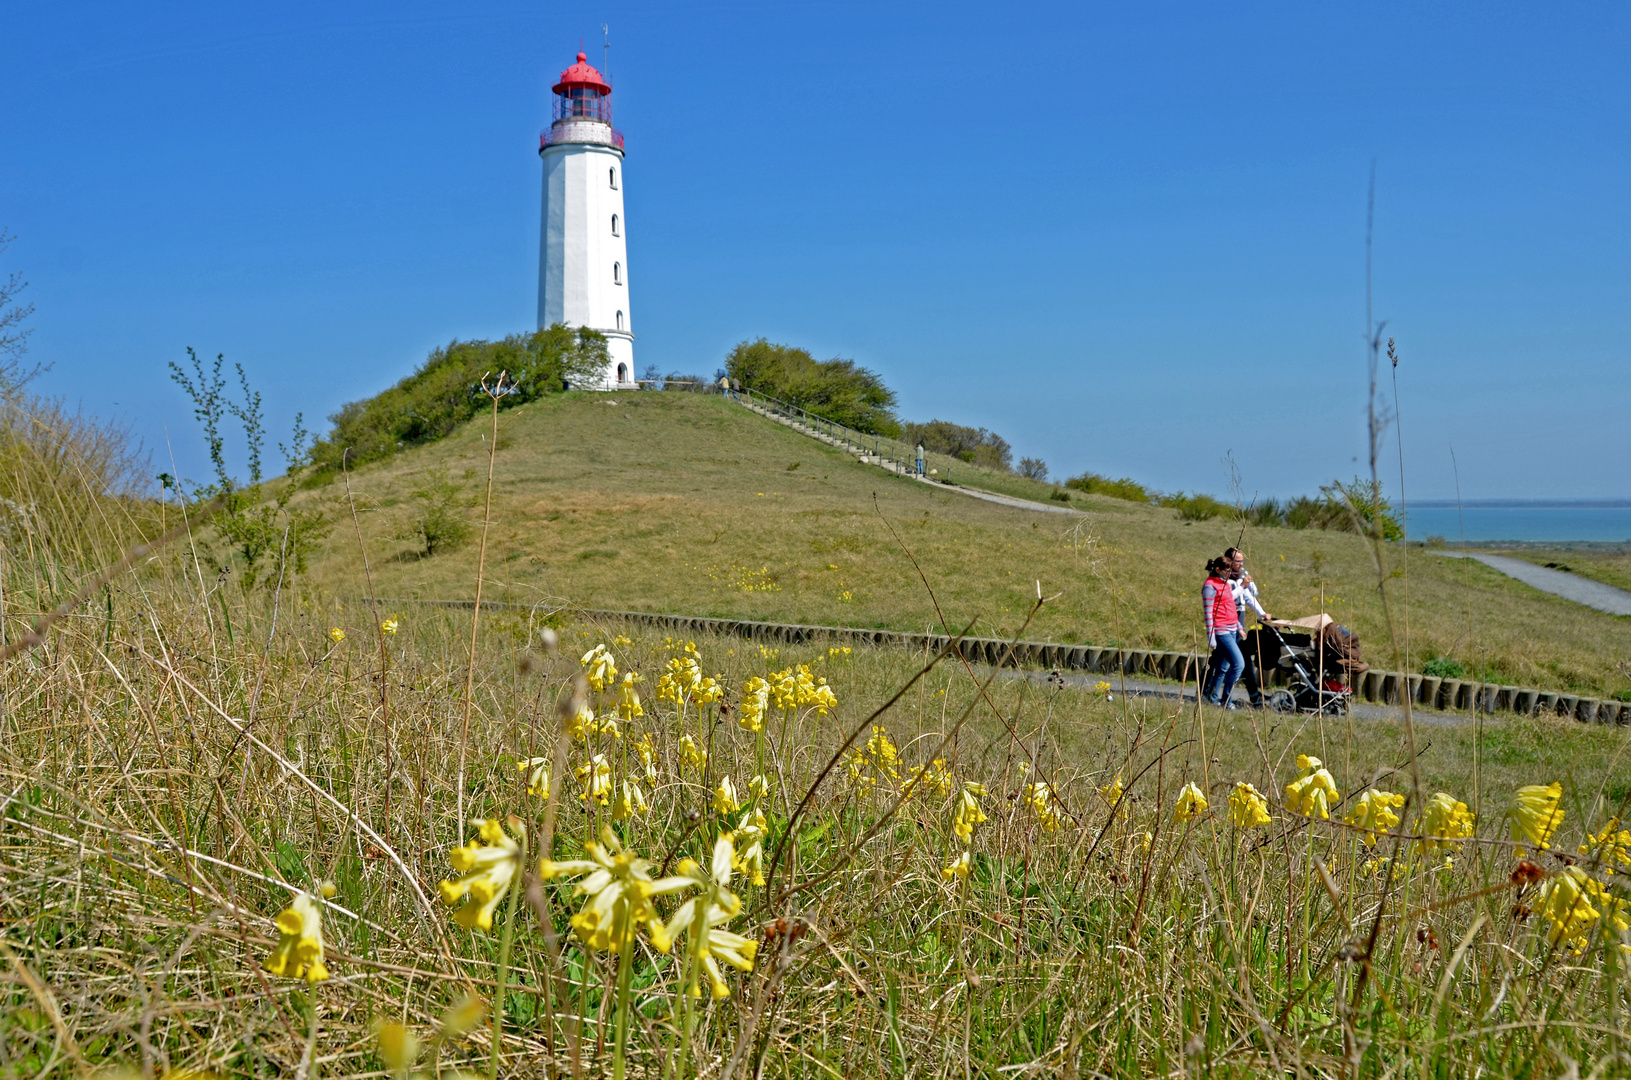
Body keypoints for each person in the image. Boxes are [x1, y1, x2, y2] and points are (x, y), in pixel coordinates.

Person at [1225, 547, 1274, 708]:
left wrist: (1262, 613)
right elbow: (1228, 599)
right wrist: (1243, 585)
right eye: (1238, 561)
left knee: (1242, 659)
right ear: (1230, 561)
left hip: (1239, 623)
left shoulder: (1241, 577)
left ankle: (1254, 694)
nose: (1241, 564)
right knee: (1225, 661)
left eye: (1242, 561)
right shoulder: (1225, 579)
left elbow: (1250, 596)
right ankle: (1209, 692)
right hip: (1227, 623)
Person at [1202, 556, 1244, 709]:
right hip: (1221, 631)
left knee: (1222, 668)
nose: (1229, 573)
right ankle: (1227, 701)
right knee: (1239, 664)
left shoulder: (1225, 584)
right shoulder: (1210, 586)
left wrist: (1239, 626)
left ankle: (1210, 698)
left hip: (1232, 628)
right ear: (1218, 569)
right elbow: (1208, 614)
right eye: (1227, 570)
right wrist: (1211, 638)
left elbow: (1230, 606)